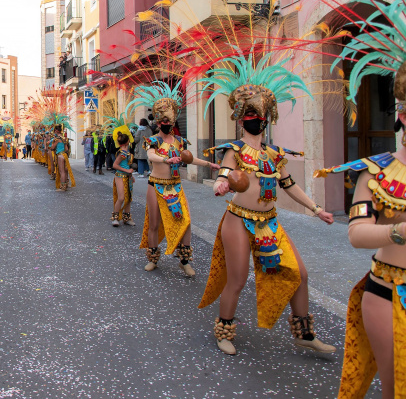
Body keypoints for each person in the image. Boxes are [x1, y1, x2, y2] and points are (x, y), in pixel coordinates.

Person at [197, 53, 336, 356]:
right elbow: (224, 174)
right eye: (251, 116)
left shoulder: (275, 155)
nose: (256, 121)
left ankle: (304, 333)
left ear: (268, 118)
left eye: (260, 117)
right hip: (238, 220)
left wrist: (316, 209)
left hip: (269, 222)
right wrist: (222, 184)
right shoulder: (234, 150)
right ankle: (224, 328)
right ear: (241, 117)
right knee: (237, 279)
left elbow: (290, 185)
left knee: (299, 273)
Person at [313, 0, 406, 396]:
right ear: (401, 111)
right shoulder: (377, 172)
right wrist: (398, 231)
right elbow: (357, 234)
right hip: (390, 292)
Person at [126, 82, 219, 277]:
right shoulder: (152, 140)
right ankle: (153, 259)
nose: (167, 125)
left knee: (186, 221)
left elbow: (190, 158)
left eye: (170, 121)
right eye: (163, 122)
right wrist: (166, 159)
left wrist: (209, 165)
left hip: (176, 187)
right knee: (154, 223)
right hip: (156, 185)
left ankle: (184, 260)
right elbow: (150, 156)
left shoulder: (180, 141)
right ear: (158, 122)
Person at [104, 114, 138, 226]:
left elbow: (127, 165)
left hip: (127, 177)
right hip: (120, 176)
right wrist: (128, 171)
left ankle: (126, 218)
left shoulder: (127, 152)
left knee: (129, 198)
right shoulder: (122, 153)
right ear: (128, 140)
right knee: (122, 197)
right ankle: (115, 217)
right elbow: (115, 165)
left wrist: (130, 175)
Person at [49, 119, 75, 192]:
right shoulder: (65, 138)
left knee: (62, 171)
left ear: (57, 131)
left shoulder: (57, 139)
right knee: (65, 170)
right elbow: (67, 149)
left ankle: (63, 187)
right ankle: (66, 183)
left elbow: (52, 147)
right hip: (64, 155)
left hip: (60, 156)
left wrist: (52, 145)